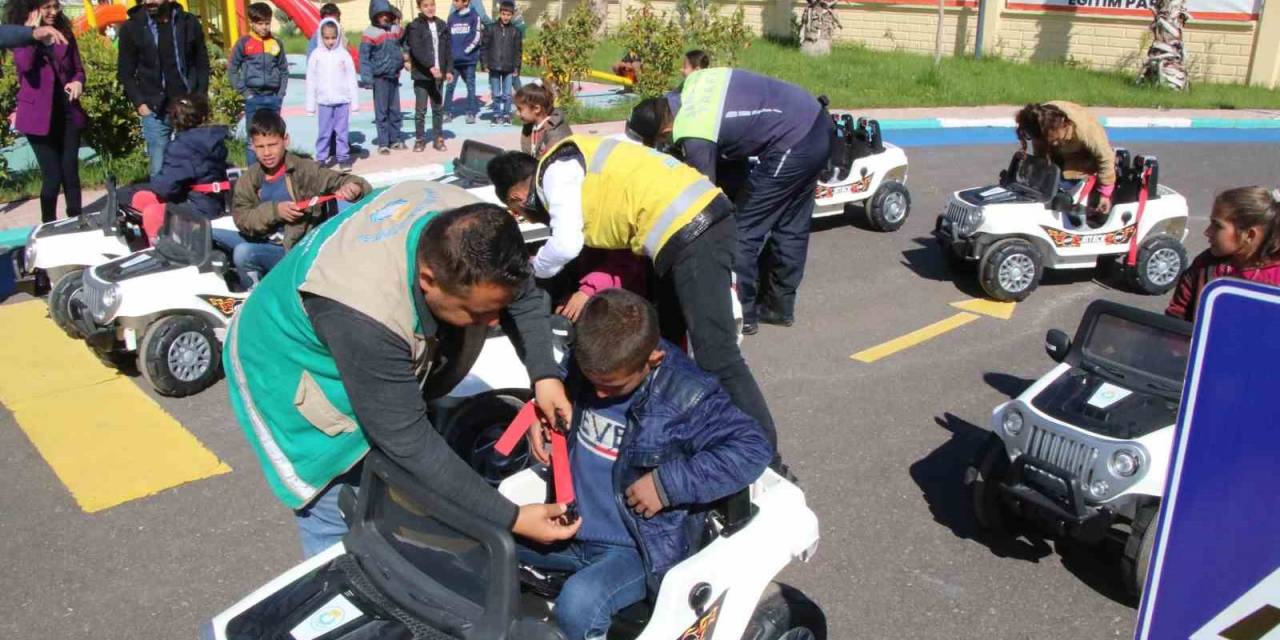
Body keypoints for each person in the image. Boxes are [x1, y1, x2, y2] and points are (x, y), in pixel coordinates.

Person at [223, 189, 579, 557]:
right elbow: (408, 441)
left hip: (353, 325)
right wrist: (513, 518)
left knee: (400, 470)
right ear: (428, 279)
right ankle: (346, 591)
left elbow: (519, 294)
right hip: (284, 364)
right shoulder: (365, 314)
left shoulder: (472, 229)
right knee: (340, 504)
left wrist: (544, 376)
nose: (492, 322)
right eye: (478, 313)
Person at [487, 136, 780, 457]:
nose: (526, 217)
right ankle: (680, 431)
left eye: (518, 211)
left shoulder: (555, 173)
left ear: (516, 196)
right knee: (665, 342)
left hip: (693, 229)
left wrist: (534, 271)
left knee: (717, 356)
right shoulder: (571, 167)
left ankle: (764, 457)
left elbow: (566, 243)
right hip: (682, 232)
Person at [518, 288, 771, 640]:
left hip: (635, 548)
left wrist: (667, 485)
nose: (600, 395)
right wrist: (543, 414)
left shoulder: (689, 394)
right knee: (490, 542)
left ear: (652, 359)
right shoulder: (594, 360)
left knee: (578, 605)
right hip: (568, 523)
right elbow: (562, 386)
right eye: (593, 383)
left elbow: (752, 448)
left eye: (612, 386)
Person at [626, 68, 831, 335]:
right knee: (791, 224)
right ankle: (779, 307)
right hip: (815, 120)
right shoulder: (691, 83)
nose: (665, 143)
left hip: (792, 143)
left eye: (661, 140)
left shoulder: (694, 133)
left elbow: (704, 197)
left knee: (743, 230)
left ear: (665, 128)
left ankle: (743, 314)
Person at [225, 110, 371, 288]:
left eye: (272, 145)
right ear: (252, 146)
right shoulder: (250, 178)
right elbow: (242, 218)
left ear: (286, 140)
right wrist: (275, 211)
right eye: (261, 147)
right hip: (264, 240)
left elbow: (352, 181)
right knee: (214, 237)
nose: (267, 152)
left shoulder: (305, 170)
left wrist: (353, 188)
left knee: (243, 253)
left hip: (294, 249)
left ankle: (256, 298)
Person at [8, 0, 84, 224]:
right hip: (37, 117)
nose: (52, 12)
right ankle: (49, 222)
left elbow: (78, 69)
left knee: (70, 170)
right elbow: (24, 65)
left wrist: (78, 82)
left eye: (56, 6)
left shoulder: (65, 34)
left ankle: (76, 219)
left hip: (68, 112)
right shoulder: (21, 37)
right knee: (52, 176)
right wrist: (30, 34)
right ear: (33, 9)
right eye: (47, 7)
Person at [117, 0, 210, 180]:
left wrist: (200, 98)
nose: (149, 2)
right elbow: (125, 71)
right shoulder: (132, 28)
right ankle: (162, 205)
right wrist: (140, 103)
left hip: (188, 104)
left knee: (194, 163)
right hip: (154, 108)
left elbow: (202, 63)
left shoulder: (188, 23)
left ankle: (193, 205)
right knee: (159, 167)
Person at [124, 94, 230, 242]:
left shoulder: (182, 147)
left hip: (198, 207)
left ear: (174, 119)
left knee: (152, 212)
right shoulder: (213, 139)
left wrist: (145, 184)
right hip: (212, 202)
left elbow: (166, 188)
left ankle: (160, 253)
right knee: (142, 198)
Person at [1166, 186, 1280, 322]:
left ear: (1249, 235)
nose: (1207, 232)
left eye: (1217, 226)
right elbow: (1176, 317)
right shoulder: (1204, 266)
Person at [1015, 101, 1116, 216]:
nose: (1054, 143)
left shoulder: (1086, 129)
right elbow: (1040, 156)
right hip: (1059, 156)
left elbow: (1105, 158)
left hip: (1084, 160)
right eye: (1050, 141)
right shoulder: (1039, 120)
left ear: (1064, 124)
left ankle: (1073, 204)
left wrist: (1105, 195)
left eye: (1055, 139)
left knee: (1062, 192)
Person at [230, 2, 289, 168]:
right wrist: (245, 92)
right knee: (253, 138)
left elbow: (284, 70)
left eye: (267, 23)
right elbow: (232, 69)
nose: (264, 27)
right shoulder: (244, 43)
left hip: (273, 98)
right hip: (253, 98)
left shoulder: (276, 42)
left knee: (275, 136)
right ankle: (253, 173)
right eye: (260, 23)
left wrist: (280, 94)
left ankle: (276, 171)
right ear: (251, 23)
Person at [305, 17, 359, 172]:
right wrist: (310, 107)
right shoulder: (316, 55)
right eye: (326, 38)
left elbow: (351, 79)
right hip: (324, 102)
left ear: (338, 36)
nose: (330, 41)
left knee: (342, 132)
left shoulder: (344, 55)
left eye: (333, 37)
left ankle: (343, 158)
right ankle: (321, 158)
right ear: (321, 37)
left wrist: (354, 104)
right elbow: (311, 80)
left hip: (342, 101)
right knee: (324, 132)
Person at [404, 0, 451, 152]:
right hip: (422, 75)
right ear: (419, 7)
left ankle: (438, 138)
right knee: (421, 110)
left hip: (438, 75)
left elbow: (449, 49)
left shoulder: (442, 25)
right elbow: (416, 50)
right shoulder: (414, 26)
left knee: (438, 108)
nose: (429, 8)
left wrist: (449, 70)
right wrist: (430, 66)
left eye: (432, 5)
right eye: (425, 5)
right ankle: (420, 139)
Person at [359, 0, 405, 154]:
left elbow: (405, 41)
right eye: (380, 15)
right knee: (381, 112)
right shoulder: (369, 33)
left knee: (395, 110)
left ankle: (395, 139)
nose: (384, 17)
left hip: (394, 76)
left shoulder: (395, 29)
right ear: (374, 16)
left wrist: (406, 57)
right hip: (379, 78)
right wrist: (367, 79)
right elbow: (364, 57)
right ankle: (383, 143)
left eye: (387, 14)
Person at [482, 0, 521, 126]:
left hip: (509, 67)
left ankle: (506, 114)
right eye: (504, 14)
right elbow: (484, 47)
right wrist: (485, 63)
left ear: (512, 15)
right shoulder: (491, 28)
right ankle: (496, 114)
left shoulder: (515, 31)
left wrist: (517, 67)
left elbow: (518, 51)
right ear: (500, 13)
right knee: (496, 93)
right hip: (494, 66)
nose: (506, 17)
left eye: (508, 15)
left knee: (507, 94)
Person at [444, 0, 481, 124]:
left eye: (457, 0)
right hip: (453, 61)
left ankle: (470, 112)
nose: (454, 2)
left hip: (468, 60)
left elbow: (477, 36)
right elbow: (447, 37)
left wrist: (467, 51)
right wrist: (449, 54)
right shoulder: (451, 17)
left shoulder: (474, 17)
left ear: (466, 2)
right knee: (450, 86)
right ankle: (446, 112)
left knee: (470, 86)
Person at [516, 83, 571, 158]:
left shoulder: (555, 131)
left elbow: (554, 162)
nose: (517, 113)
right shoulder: (530, 127)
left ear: (536, 109)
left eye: (520, 109)